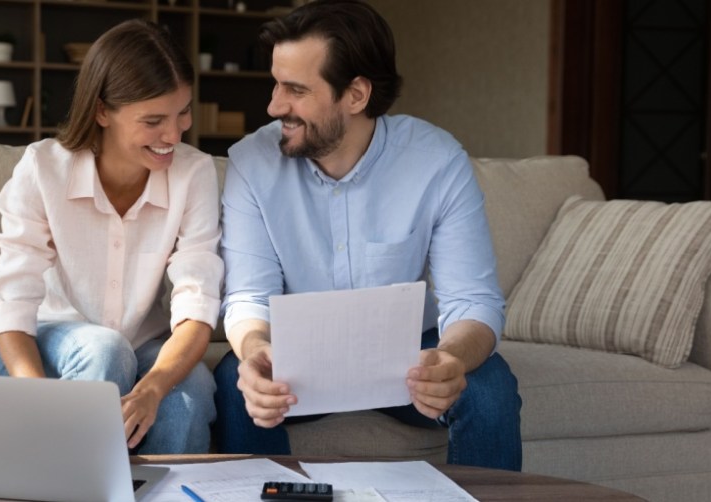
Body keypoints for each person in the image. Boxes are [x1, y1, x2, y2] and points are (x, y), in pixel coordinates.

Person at [212, 0, 522, 470]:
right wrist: (256, 350)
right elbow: (249, 297)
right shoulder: (252, 164)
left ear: (356, 95)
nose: (274, 106)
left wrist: (452, 359)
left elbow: (473, 301)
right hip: (298, 356)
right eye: (276, 84)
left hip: (409, 358)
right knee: (235, 381)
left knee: (491, 388)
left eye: (296, 89)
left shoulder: (437, 162)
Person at [0, 19, 223, 455]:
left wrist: (153, 388)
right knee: (106, 350)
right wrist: (35, 400)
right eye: (153, 120)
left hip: (141, 343)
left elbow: (197, 298)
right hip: (43, 338)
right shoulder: (43, 168)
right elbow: (11, 298)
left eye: (183, 112)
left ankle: (164, 487)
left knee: (192, 386)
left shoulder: (194, 173)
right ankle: (75, 481)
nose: (174, 134)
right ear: (101, 111)